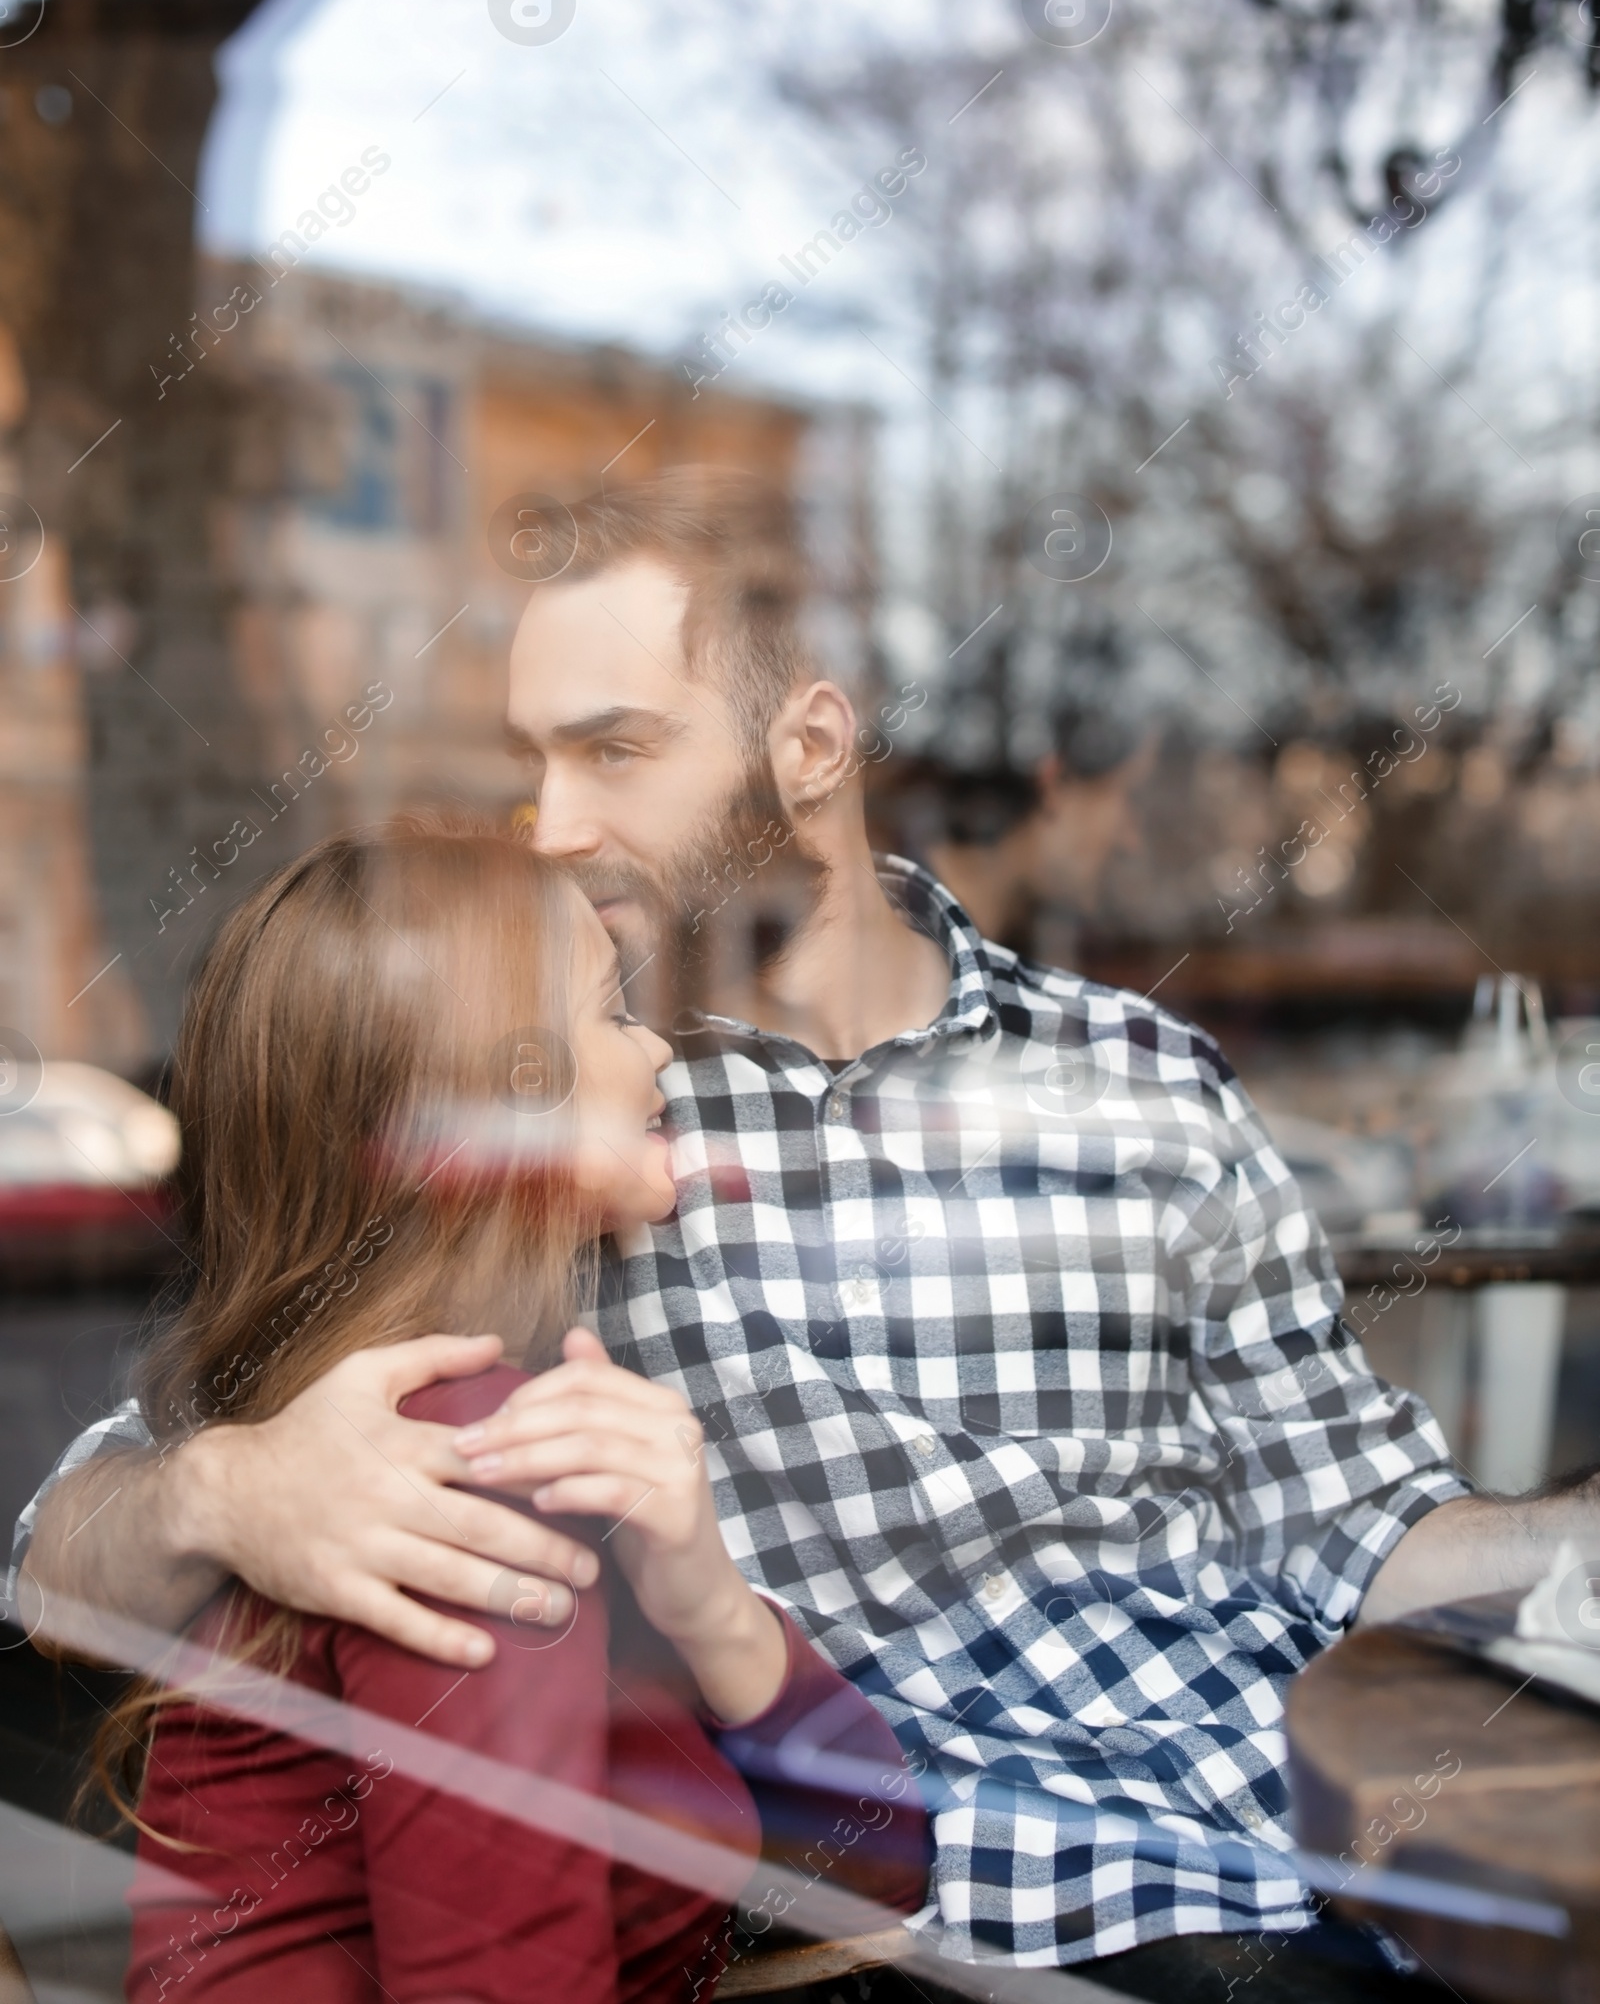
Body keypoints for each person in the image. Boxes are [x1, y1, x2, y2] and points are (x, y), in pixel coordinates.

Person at [17, 470, 1600, 2001]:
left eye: (614, 750)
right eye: (533, 758)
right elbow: (71, 1540)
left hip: (1334, 1821)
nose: (551, 824)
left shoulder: (1138, 1080)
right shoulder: (572, 1120)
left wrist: (1568, 1544)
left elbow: (1357, 1522)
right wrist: (228, 1486)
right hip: (992, 1906)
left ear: (811, 745)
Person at [86, 819, 926, 2002]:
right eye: (613, 1012)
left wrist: (709, 1605)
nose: (658, 1059)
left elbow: (873, 1870)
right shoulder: (455, 1463)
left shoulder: (508, 1419)